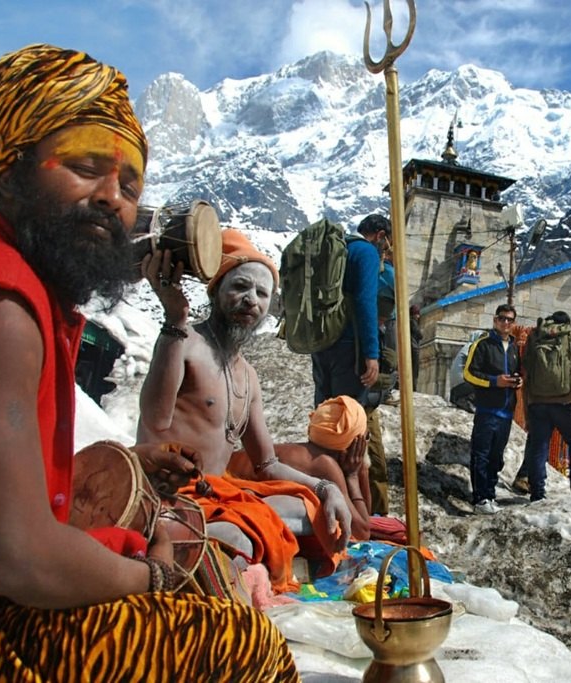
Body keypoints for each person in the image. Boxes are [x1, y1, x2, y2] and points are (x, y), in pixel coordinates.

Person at [0, 44, 297, 680]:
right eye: (86, 166)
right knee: (241, 642)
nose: (112, 198)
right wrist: (152, 579)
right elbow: (18, 558)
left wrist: (126, 464)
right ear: (10, 169)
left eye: (128, 184)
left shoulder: (16, 284)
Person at [139, 227, 352, 589]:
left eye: (262, 293)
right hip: (169, 496)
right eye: (240, 287)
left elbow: (266, 464)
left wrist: (325, 487)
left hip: (220, 494)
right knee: (235, 535)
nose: (250, 299)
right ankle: (238, 563)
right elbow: (155, 421)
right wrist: (174, 320)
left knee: (308, 510)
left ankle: (247, 559)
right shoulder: (184, 341)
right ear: (217, 290)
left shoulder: (248, 376)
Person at [310, 214, 391, 514]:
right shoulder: (366, 252)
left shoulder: (336, 250)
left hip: (321, 345)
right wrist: (371, 353)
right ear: (380, 234)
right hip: (349, 348)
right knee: (351, 427)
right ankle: (354, 507)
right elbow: (366, 301)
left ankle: (322, 493)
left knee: (326, 421)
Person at [271, 396, 371, 540]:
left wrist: (362, 469)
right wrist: (353, 476)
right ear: (354, 446)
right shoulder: (324, 464)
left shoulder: (303, 451)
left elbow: (366, 518)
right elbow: (362, 532)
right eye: (366, 438)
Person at [523, 310, 571, 501]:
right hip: (565, 401)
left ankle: (537, 492)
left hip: (538, 401)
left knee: (539, 446)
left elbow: (526, 370)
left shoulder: (536, 336)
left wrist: (528, 403)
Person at [462, 304, 522, 514]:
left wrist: (517, 381)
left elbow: (516, 372)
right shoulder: (483, 345)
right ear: (495, 320)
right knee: (482, 454)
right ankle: (480, 499)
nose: (506, 323)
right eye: (502, 318)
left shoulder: (514, 348)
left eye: (510, 320)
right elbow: (469, 373)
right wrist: (495, 382)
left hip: (506, 412)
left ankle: (490, 494)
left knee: (497, 456)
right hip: (487, 410)